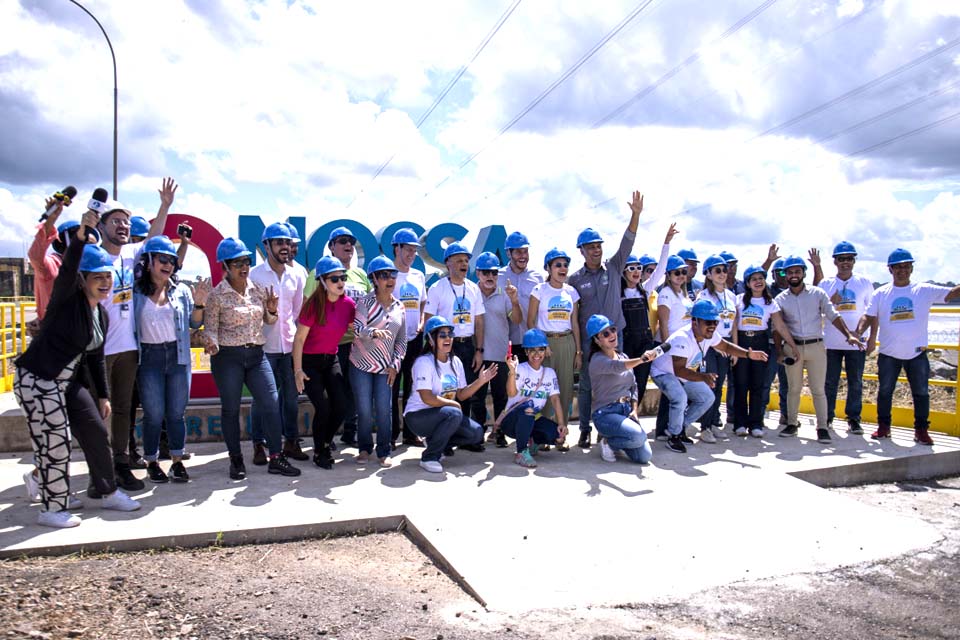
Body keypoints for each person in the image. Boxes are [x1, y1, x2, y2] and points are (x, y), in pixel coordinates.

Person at [14, 214, 141, 528]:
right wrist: (82, 235)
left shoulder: (100, 314)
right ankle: (52, 508)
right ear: (81, 279)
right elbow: (68, 267)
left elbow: (96, 357)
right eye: (97, 278)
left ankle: (106, 491)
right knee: (54, 441)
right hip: (38, 380)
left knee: (96, 431)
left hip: (68, 382)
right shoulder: (65, 302)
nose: (105, 284)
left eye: (108, 278)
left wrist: (103, 395)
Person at [97, 178, 177, 492]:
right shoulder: (93, 255)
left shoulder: (131, 255)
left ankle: (119, 464)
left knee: (121, 410)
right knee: (97, 413)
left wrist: (165, 206)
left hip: (128, 347)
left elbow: (153, 239)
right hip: (98, 349)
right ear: (102, 226)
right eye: (116, 221)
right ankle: (99, 470)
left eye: (126, 222)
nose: (123, 226)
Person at [203, 238, 301, 479]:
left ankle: (277, 457)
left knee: (271, 402)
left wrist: (272, 309)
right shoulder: (217, 295)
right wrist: (212, 343)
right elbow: (210, 329)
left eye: (246, 261)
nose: (244, 267)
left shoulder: (256, 288)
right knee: (231, 409)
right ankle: (236, 460)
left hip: (257, 355)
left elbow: (268, 321)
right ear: (225, 266)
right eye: (237, 263)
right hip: (228, 357)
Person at [857, 248, 960, 444]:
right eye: (898, 267)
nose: (902, 270)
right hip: (889, 354)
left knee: (921, 392)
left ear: (911, 268)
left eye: (906, 266)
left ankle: (921, 430)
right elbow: (868, 316)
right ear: (890, 270)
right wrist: (857, 333)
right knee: (885, 391)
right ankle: (884, 427)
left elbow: (952, 294)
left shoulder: (924, 290)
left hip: (917, 353)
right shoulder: (881, 293)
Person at [568, 190, 644, 448]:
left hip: (615, 337)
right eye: (590, 247)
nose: (596, 250)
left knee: (618, 381)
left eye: (598, 245)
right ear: (582, 250)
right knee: (588, 386)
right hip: (591, 343)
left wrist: (635, 215)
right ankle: (585, 429)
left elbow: (628, 242)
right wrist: (579, 348)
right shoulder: (575, 280)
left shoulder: (614, 267)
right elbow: (572, 315)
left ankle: (609, 426)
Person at [133, 236, 206, 483]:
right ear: (149, 261)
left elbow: (195, 323)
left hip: (178, 356)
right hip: (149, 357)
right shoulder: (134, 292)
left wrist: (199, 304)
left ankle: (176, 461)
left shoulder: (182, 291)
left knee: (176, 413)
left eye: (172, 261)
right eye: (162, 259)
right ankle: (152, 461)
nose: (168, 265)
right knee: (153, 414)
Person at [652, 300, 768, 453]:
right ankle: (673, 437)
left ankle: (680, 429)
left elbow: (725, 346)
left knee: (708, 397)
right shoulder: (682, 338)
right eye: (708, 322)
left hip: (683, 372)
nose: (712, 325)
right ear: (695, 321)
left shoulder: (709, 335)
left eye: (715, 321)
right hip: (664, 372)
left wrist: (748, 354)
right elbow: (679, 371)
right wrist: (703, 377)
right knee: (680, 398)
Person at [774, 255, 864, 443]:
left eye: (797, 271)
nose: (793, 275)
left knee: (818, 390)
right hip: (793, 348)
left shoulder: (818, 294)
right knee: (793, 389)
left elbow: (833, 315)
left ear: (803, 273)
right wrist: (781, 351)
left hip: (815, 346)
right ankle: (792, 424)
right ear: (786, 275)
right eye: (790, 272)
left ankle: (822, 427)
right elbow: (777, 328)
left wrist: (848, 334)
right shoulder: (780, 299)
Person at [403, 316, 497, 473]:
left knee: (476, 433)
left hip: (445, 414)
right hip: (418, 417)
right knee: (453, 413)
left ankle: (436, 442)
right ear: (431, 340)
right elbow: (427, 398)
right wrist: (453, 405)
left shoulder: (455, 362)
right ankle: (430, 457)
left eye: (450, 334)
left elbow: (460, 394)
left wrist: (480, 381)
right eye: (442, 335)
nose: (448, 338)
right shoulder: (423, 363)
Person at [249, 222, 307, 465]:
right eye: (279, 242)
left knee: (291, 400)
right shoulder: (254, 275)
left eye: (287, 242)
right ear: (266, 246)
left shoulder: (297, 274)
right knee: (262, 401)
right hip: (263, 349)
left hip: (289, 348)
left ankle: (291, 443)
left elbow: (297, 314)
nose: (285, 247)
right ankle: (259, 445)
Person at [293, 256, 357, 469]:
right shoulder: (312, 306)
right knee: (323, 408)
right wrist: (298, 370)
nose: (340, 282)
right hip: (310, 363)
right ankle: (320, 450)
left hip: (331, 359)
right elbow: (299, 339)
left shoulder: (348, 305)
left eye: (343, 277)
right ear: (322, 281)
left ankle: (326, 443)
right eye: (334, 279)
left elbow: (357, 329)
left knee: (342, 406)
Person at [811, 241, 875, 435]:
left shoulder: (864, 283)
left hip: (856, 344)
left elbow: (872, 312)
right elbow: (815, 310)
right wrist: (831, 301)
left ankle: (854, 419)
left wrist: (871, 338)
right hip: (830, 343)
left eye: (849, 259)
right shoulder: (826, 284)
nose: (845, 262)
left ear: (854, 261)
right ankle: (827, 417)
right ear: (835, 261)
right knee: (829, 382)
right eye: (841, 259)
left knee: (856, 382)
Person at [424, 242, 485, 439]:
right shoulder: (437, 288)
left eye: (466, 260)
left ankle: (464, 436)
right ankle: (443, 435)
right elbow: (428, 320)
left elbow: (479, 321)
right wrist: (435, 350)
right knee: (445, 390)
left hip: (467, 345)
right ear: (448, 263)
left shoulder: (473, 288)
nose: (464, 264)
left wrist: (479, 350)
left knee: (466, 391)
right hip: (445, 347)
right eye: (459, 260)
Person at [350, 256, 406, 467]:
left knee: (384, 410)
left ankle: (384, 451)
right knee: (364, 410)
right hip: (361, 365)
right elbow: (357, 329)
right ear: (373, 278)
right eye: (383, 275)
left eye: (392, 274)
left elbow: (402, 340)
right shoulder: (365, 302)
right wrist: (374, 332)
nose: (389, 279)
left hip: (386, 368)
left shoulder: (400, 307)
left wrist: (396, 364)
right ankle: (364, 449)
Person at [732, 266, 797, 437]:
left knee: (758, 385)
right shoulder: (738, 300)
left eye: (761, 278)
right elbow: (734, 324)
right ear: (747, 283)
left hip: (760, 342)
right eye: (754, 279)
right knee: (740, 384)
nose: (758, 282)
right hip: (742, 341)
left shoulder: (770, 303)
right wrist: (735, 350)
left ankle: (756, 423)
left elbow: (780, 326)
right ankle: (740, 423)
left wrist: (792, 344)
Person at [621, 223, 678, 414]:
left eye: (639, 268)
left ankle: (633, 416)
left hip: (645, 343)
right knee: (624, 384)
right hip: (626, 344)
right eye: (631, 268)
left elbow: (661, 268)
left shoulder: (645, 290)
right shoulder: (617, 294)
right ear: (624, 271)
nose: (637, 271)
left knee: (641, 383)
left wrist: (666, 243)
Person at [584, 314, 653, 465]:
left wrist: (634, 410)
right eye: (605, 333)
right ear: (597, 340)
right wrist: (642, 359)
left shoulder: (623, 356)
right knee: (638, 437)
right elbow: (617, 367)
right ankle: (609, 443)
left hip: (626, 410)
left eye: (613, 330)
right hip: (605, 413)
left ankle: (615, 440)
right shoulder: (597, 360)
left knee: (644, 457)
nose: (612, 335)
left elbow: (633, 386)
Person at [528, 248, 580, 445]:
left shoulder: (571, 293)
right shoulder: (539, 290)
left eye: (565, 265)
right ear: (548, 268)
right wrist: (542, 344)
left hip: (566, 342)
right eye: (558, 265)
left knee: (565, 390)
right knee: (544, 389)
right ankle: (542, 435)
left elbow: (574, 323)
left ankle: (561, 434)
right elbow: (531, 321)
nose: (563, 268)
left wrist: (578, 351)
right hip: (544, 344)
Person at [497, 329, 567, 467]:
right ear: (526, 352)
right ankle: (521, 452)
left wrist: (561, 424)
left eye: (541, 349)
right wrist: (512, 372)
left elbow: (555, 400)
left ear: (545, 351)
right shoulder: (520, 369)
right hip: (512, 420)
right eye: (532, 350)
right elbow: (511, 394)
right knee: (528, 409)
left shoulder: (549, 373)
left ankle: (532, 441)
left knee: (558, 436)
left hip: (532, 418)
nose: (537, 354)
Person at [328, 226, 370, 447]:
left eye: (351, 242)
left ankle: (350, 432)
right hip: (333, 344)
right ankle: (329, 433)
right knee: (334, 391)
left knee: (354, 389)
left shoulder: (361, 275)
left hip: (358, 343)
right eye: (342, 241)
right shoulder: (320, 273)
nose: (348, 246)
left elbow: (371, 304)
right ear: (331, 247)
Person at [473, 252, 521, 444]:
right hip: (478, 355)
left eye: (493, 272)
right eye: (485, 272)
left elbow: (517, 320)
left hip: (501, 356)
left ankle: (499, 432)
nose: (490, 276)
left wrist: (515, 301)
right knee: (477, 398)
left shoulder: (504, 294)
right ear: (477, 273)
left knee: (501, 397)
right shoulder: (470, 292)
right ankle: (477, 435)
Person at [390, 228, 428, 448]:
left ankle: (410, 434)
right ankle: (392, 435)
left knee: (413, 387)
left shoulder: (418, 275)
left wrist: (422, 320)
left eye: (415, 250)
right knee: (392, 389)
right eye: (408, 250)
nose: (412, 254)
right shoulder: (389, 274)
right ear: (397, 248)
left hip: (414, 339)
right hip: (393, 340)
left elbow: (422, 302)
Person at [695, 255, 738, 443]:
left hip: (726, 345)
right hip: (710, 345)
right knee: (709, 385)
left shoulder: (731, 296)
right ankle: (704, 427)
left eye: (724, 270)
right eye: (717, 271)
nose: (722, 274)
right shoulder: (703, 296)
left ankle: (713, 423)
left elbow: (734, 324)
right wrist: (715, 342)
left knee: (720, 386)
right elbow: (701, 323)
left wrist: (734, 349)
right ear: (709, 275)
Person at [652, 254, 694, 440]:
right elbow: (664, 322)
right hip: (671, 349)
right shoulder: (666, 294)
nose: (681, 276)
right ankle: (663, 429)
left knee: (678, 391)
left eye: (683, 272)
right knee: (671, 392)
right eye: (677, 273)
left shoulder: (683, 295)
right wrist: (668, 350)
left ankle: (674, 427)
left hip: (684, 349)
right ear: (668, 275)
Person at [498, 231, 544, 364]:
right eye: (518, 252)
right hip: (506, 343)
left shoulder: (537, 278)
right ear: (508, 253)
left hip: (532, 343)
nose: (523, 256)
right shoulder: (498, 277)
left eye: (525, 251)